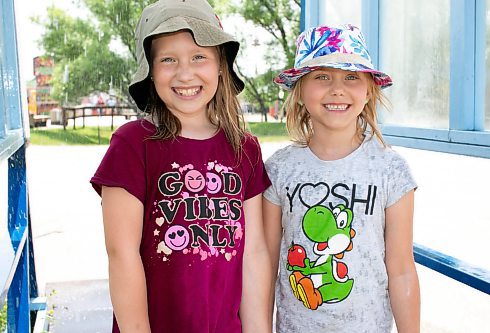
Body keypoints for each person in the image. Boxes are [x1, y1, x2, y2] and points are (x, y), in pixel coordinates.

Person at [90, 1, 272, 332]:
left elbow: (254, 252)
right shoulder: (132, 145)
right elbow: (122, 255)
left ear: (220, 65)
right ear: (150, 70)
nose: (185, 73)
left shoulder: (245, 149)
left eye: (198, 56)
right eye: (168, 59)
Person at [264, 24, 420, 333]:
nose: (338, 89)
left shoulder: (391, 170)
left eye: (351, 77)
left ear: (368, 90)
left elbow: (401, 269)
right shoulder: (278, 169)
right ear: (300, 90)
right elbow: (265, 266)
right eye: (322, 77)